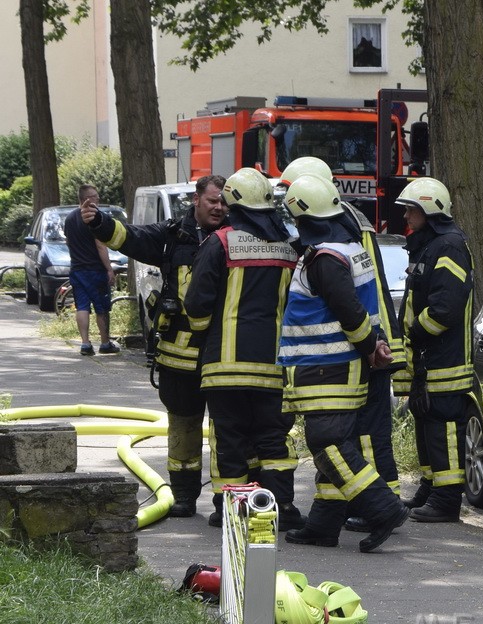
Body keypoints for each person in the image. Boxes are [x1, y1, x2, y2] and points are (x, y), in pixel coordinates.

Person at [278, 174, 409, 552]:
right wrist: (372, 345)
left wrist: (370, 345)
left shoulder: (325, 257)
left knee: (327, 441)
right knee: (338, 441)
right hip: (343, 364)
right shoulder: (350, 246)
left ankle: (383, 508)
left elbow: (348, 310)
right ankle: (323, 525)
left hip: (327, 365)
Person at [84, 175, 227, 517]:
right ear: (197, 200)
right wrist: (100, 222)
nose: (219, 208)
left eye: (224, 202)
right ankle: (184, 496)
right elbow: (131, 238)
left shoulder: (236, 237)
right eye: (213, 201)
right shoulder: (173, 235)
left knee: (227, 429)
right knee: (183, 426)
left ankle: (227, 500)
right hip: (180, 354)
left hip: (224, 352)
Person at [183, 167, 305, 530]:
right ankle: (280, 505)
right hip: (274, 367)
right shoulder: (288, 247)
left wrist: (208, 336)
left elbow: (197, 304)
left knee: (230, 440)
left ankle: (231, 511)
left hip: (225, 368)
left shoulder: (220, 242)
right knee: (273, 441)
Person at [393, 177, 475, 522]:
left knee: (443, 427)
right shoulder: (430, 245)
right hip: (428, 360)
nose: (407, 217)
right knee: (428, 425)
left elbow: (445, 309)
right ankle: (430, 487)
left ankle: (446, 499)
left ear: (430, 211)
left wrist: (412, 333)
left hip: (445, 360)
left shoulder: (450, 246)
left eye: (412, 210)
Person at [64, 185, 120, 356]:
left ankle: (86, 344)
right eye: (95, 196)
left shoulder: (70, 218)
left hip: (77, 270)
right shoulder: (94, 218)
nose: (98, 199)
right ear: (86, 199)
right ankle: (104, 343)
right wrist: (109, 269)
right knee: (101, 307)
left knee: (82, 306)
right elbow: (100, 245)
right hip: (95, 270)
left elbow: (68, 242)